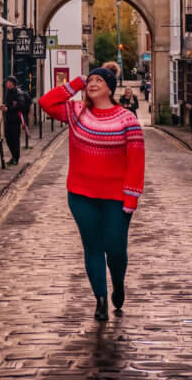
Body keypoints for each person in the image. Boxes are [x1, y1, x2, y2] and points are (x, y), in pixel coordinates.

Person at [39, 60, 145, 321]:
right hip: (81, 195)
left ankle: (118, 283)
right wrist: (75, 83)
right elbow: (46, 103)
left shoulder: (127, 119)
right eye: (90, 82)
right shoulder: (76, 112)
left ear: (109, 88)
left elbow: (136, 161)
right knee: (93, 247)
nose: (92, 84)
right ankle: (100, 300)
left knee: (116, 249)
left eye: (99, 81)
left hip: (116, 198)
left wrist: (131, 197)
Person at [0, 75, 28, 165]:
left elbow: (20, 105)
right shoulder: (9, 93)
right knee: (8, 138)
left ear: (12, 84)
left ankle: (16, 158)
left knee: (15, 139)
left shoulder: (18, 93)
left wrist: (8, 109)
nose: (6, 84)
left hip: (15, 120)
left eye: (8, 82)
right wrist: (4, 106)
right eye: (6, 82)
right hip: (8, 119)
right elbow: (9, 104)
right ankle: (13, 156)